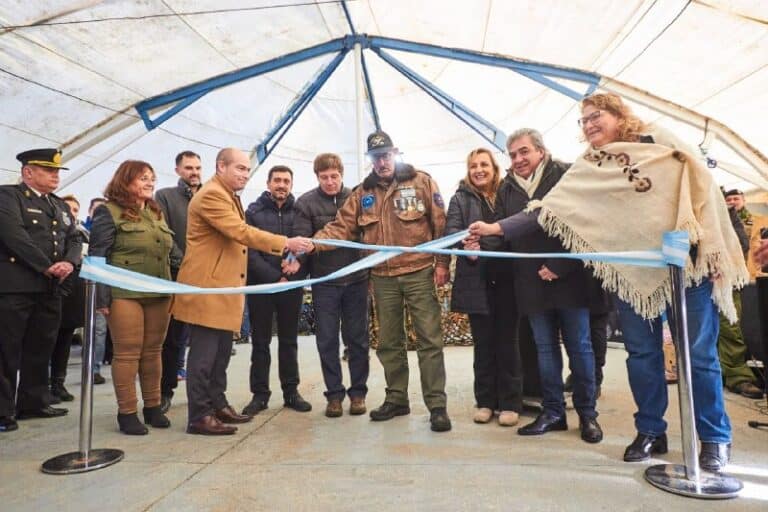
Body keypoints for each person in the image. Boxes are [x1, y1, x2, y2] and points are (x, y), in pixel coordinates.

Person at [469, 93, 747, 471]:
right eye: (582, 121)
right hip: (632, 274)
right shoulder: (590, 167)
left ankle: (714, 438)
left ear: (618, 115)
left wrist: (715, 247)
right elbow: (547, 211)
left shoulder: (658, 140)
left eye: (595, 116)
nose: (588, 125)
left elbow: (702, 187)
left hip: (688, 268)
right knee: (643, 355)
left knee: (699, 356)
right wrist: (495, 227)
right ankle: (651, 430)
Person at [311, 131, 452, 433]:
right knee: (389, 343)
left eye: (386, 155)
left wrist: (442, 264)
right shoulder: (362, 193)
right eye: (376, 157)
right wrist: (311, 243)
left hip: (418, 272)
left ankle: (437, 406)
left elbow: (441, 224)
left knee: (429, 340)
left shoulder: (421, 182)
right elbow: (340, 227)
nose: (382, 161)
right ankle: (397, 398)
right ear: (370, 160)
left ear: (396, 153)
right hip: (382, 279)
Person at [170, 148, 313, 436]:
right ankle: (199, 414)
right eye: (239, 169)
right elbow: (241, 232)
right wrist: (286, 242)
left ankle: (218, 404)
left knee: (221, 353)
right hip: (208, 287)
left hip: (225, 287)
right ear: (220, 166)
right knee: (204, 356)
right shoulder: (212, 195)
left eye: (248, 170)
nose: (245, 175)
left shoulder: (228, 195)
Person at [474, 131, 603, 443]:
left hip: (571, 280)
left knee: (580, 349)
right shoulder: (507, 188)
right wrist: (479, 242)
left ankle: (587, 414)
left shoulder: (566, 175)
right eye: (513, 154)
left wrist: (561, 266)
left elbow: (586, 225)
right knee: (545, 351)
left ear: (541, 152)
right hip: (530, 284)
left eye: (524, 152)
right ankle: (554, 412)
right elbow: (503, 232)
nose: (518, 160)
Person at [89, 160, 175, 435]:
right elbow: (97, 257)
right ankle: (127, 412)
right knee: (127, 353)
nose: (150, 183)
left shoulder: (155, 212)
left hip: (160, 291)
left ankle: (152, 407)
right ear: (125, 181)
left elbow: (172, 252)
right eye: (142, 178)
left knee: (153, 351)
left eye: (152, 178)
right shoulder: (108, 212)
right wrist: (102, 299)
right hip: (124, 294)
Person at [0, 148, 81, 433]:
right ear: (28, 172)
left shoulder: (58, 205)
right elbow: (14, 236)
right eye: (48, 170)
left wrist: (69, 263)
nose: (55, 175)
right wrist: (46, 265)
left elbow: (74, 237)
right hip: (16, 287)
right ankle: (3, 410)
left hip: (50, 288)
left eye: (57, 171)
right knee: (6, 350)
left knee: (40, 347)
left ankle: (33, 401)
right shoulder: (8, 197)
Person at [444, 148, 522, 426]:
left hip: (506, 279)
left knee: (508, 342)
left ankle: (511, 403)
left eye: (484, 165)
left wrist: (482, 244)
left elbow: (512, 231)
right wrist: (465, 243)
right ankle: (486, 402)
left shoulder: (508, 193)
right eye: (474, 165)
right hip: (475, 280)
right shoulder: (459, 198)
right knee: (483, 344)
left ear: (494, 167)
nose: (479, 169)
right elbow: (451, 232)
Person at [294, 153, 370, 418]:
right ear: (317, 177)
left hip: (357, 281)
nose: (329, 182)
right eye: (324, 177)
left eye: (334, 176)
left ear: (342, 174)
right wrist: (295, 262)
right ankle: (334, 396)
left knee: (358, 340)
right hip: (325, 284)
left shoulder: (358, 198)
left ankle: (358, 393)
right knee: (326, 340)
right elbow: (302, 242)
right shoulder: (305, 203)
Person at [241, 165, 312, 416]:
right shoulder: (253, 212)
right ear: (268, 183)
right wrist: (274, 277)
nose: (281, 185)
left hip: (292, 287)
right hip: (262, 286)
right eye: (277, 180)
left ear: (291, 184)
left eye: (286, 181)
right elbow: (249, 251)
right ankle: (259, 395)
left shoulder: (301, 211)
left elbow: (307, 246)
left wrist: (296, 269)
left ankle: (291, 392)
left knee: (289, 341)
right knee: (260, 341)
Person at [154, 150, 202, 412]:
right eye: (188, 168)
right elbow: (165, 234)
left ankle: (205, 392)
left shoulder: (211, 195)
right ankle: (166, 390)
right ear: (177, 170)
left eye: (197, 168)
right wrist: (184, 264)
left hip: (207, 280)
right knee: (173, 338)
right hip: (177, 277)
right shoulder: (165, 197)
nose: (193, 172)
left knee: (206, 339)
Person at [717, 189, 763, 399]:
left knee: (731, 329)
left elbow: (742, 244)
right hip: (694, 282)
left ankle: (737, 377)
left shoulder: (729, 214)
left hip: (727, 280)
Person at [49, 194, 88, 403]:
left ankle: (58, 382)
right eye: (69, 209)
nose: (72, 213)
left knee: (64, 341)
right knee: (48, 341)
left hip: (74, 294)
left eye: (75, 210)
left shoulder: (81, 234)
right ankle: (43, 386)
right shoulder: (55, 234)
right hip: (56, 292)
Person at [84, 197, 108, 385]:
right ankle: (92, 369)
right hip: (91, 286)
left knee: (100, 331)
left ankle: (95, 368)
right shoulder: (83, 232)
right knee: (96, 330)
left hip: (106, 285)